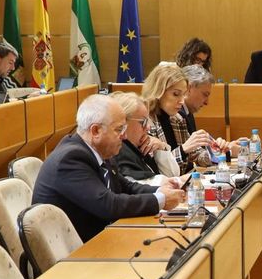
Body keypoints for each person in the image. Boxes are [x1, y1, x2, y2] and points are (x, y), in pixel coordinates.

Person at [32, 94, 185, 242]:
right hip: (75, 256)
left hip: (99, 241)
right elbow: (108, 205)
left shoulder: (96, 151)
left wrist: (161, 190)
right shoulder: (70, 159)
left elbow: (125, 186)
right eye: (119, 129)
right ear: (96, 131)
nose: (124, 136)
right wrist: (161, 200)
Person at [141, 63, 214, 174]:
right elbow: (157, 170)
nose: (182, 101)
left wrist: (217, 152)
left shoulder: (178, 118)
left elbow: (197, 155)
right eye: (176, 94)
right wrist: (183, 149)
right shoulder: (144, 123)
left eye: (183, 95)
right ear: (158, 90)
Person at [109, 92, 164, 183]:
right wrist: (178, 181)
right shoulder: (119, 150)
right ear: (123, 121)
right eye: (143, 122)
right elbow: (139, 185)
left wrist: (161, 147)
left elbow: (171, 173)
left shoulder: (138, 144)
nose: (148, 127)